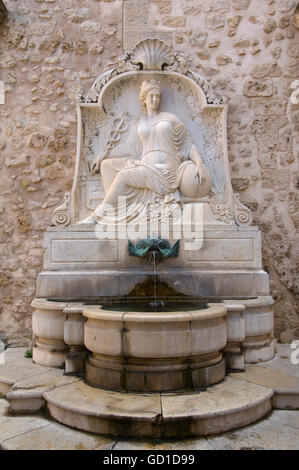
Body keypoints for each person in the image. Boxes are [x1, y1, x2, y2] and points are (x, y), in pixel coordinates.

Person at [79, 80, 211, 224]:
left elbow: (188, 144)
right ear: (144, 99)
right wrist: (102, 156)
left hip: (166, 171)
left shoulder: (170, 119)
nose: (155, 99)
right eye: (151, 96)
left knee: (123, 176)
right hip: (145, 166)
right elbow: (128, 147)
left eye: (157, 96)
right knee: (106, 165)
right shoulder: (139, 124)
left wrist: (199, 163)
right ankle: (115, 210)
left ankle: (98, 216)